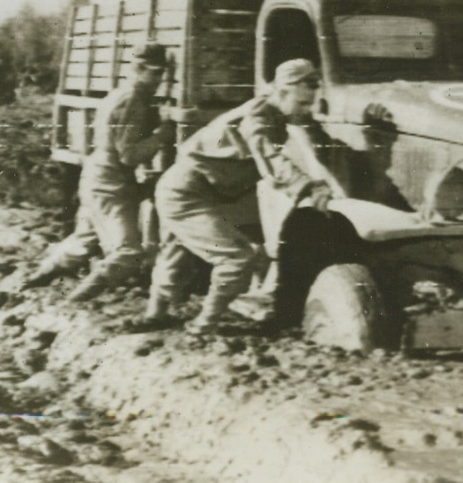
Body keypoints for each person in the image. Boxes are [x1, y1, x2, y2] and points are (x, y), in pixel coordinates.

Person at [137, 58, 337, 336]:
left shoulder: (277, 112)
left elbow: (311, 129)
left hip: (214, 190)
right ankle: (203, 325)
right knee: (236, 257)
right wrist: (308, 186)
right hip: (186, 191)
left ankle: (155, 315)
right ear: (282, 91)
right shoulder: (256, 118)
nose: (306, 110)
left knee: (177, 252)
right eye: (302, 103)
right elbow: (269, 156)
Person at [23, 43, 176, 299]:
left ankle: (34, 280)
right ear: (139, 70)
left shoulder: (121, 94)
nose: (160, 80)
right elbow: (128, 156)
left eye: (162, 74)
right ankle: (76, 299)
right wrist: (162, 136)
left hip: (97, 177)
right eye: (155, 73)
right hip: (110, 183)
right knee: (129, 253)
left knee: (84, 241)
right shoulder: (132, 101)